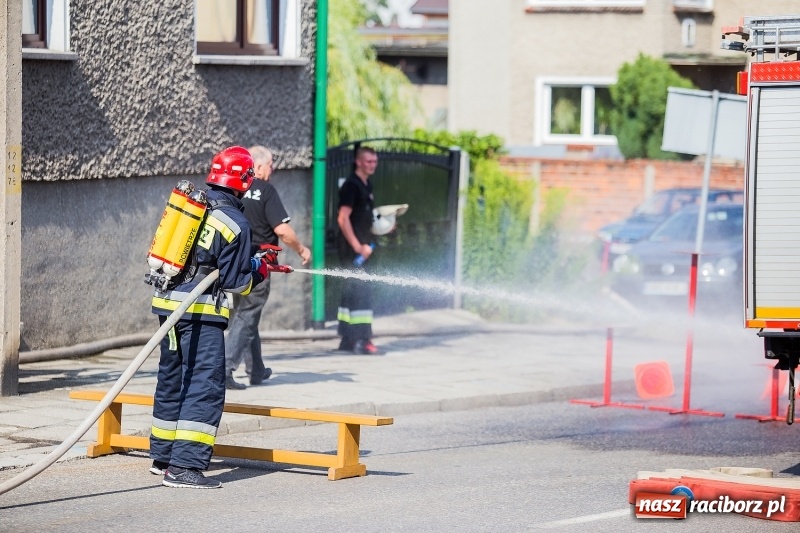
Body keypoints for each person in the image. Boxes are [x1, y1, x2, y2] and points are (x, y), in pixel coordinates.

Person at [149, 146, 273, 489]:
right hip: (200, 313)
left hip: (168, 308)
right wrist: (258, 270)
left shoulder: (193, 206)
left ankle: (163, 457)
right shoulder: (236, 222)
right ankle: (184, 468)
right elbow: (236, 283)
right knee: (204, 384)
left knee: (172, 377)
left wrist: (248, 262)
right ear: (245, 181)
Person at [224, 145, 311, 390]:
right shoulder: (266, 190)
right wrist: (302, 249)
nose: (273, 169)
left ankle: (257, 369)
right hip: (259, 264)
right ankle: (225, 367)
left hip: (234, 262)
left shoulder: (235, 190)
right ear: (258, 167)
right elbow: (282, 231)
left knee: (246, 314)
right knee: (247, 315)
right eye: (271, 164)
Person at [336, 146, 387, 355]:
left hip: (364, 248)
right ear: (358, 162)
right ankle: (362, 340)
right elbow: (343, 218)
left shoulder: (367, 184)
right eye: (368, 161)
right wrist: (358, 247)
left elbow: (363, 217)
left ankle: (347, 339)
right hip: (355, 252)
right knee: (361, 295)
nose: (372, 165)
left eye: (374, 162)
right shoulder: (351, 186)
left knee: (351, 294)